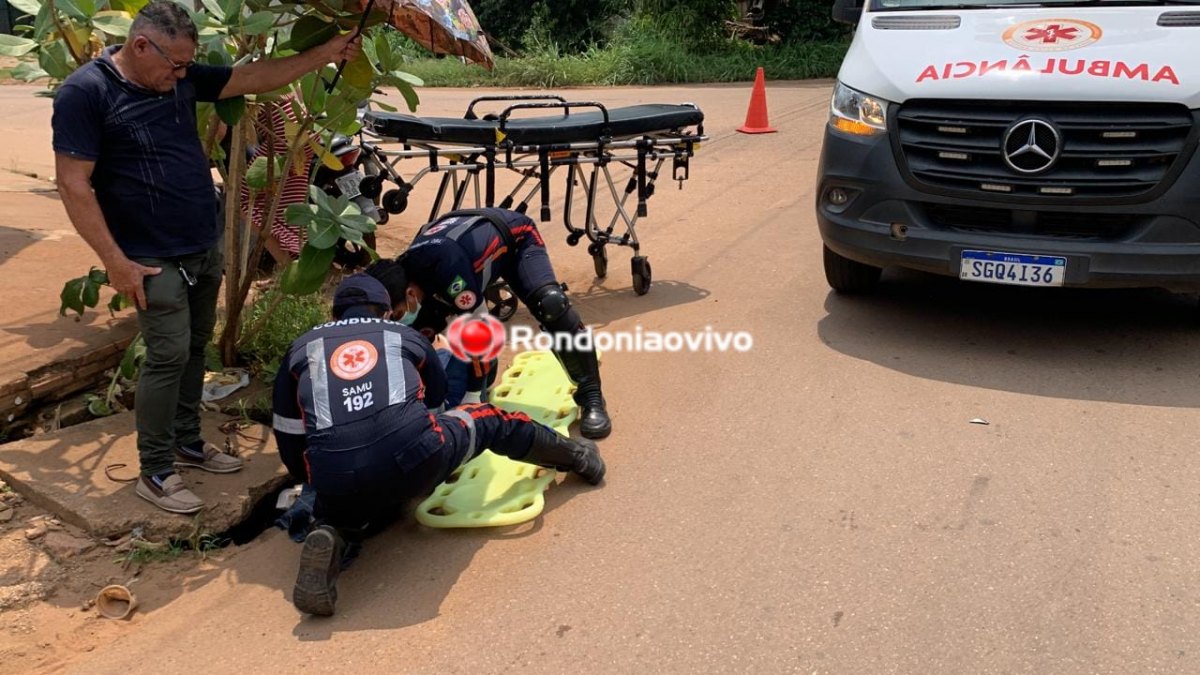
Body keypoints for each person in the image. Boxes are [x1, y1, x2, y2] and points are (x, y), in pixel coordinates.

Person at [51, 1, 362, 514]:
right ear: (140, 45)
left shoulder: (181, 76)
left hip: (200, 242)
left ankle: (186, 441)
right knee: (168, 354)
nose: (180, 75)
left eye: (185, 66)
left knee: (196, 347)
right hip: (148, 255)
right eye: (173, 64)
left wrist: (328, 52)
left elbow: (255, 76)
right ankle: (153, 471)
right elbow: (73, 182)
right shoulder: (87, 92)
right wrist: (114, 260)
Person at [271, 273, 605, 617]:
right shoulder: (404, 335)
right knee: (489, 419)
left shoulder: (300, 349)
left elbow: (288, 436)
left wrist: (320, 485)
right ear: (387, 312)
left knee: (353, 500)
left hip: (334, 476)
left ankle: (332, 531)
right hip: (415, 456)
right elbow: (436, 404)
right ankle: (579, 457)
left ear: (334, 315)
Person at [363, 207, 613, 439]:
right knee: (414, 337)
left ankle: (591, 394)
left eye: (396, 314)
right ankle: (483, 373)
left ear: (409, 294)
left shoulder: (445, 267)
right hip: (460, 257)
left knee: (551, 304)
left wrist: (472, 398)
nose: (398, 319)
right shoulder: (399, 277)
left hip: (515, 240)